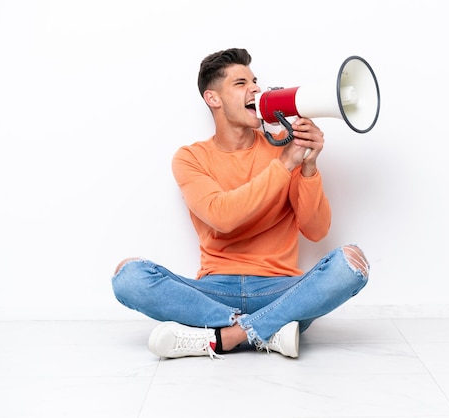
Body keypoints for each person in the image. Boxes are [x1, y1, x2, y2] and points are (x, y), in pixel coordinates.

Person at [111, 48, 369, 360]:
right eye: (240, 83)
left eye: (255, 81)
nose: (255, 89)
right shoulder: (191, 158)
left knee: (351, 263)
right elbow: (223, 216)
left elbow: (316, 230)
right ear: (213, 98)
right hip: (213, 293)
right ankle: (269, 332)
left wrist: (309, 166)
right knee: (128, 277)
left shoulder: (283, 151)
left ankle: (226, 336)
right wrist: (285, 164)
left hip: (279, 290)